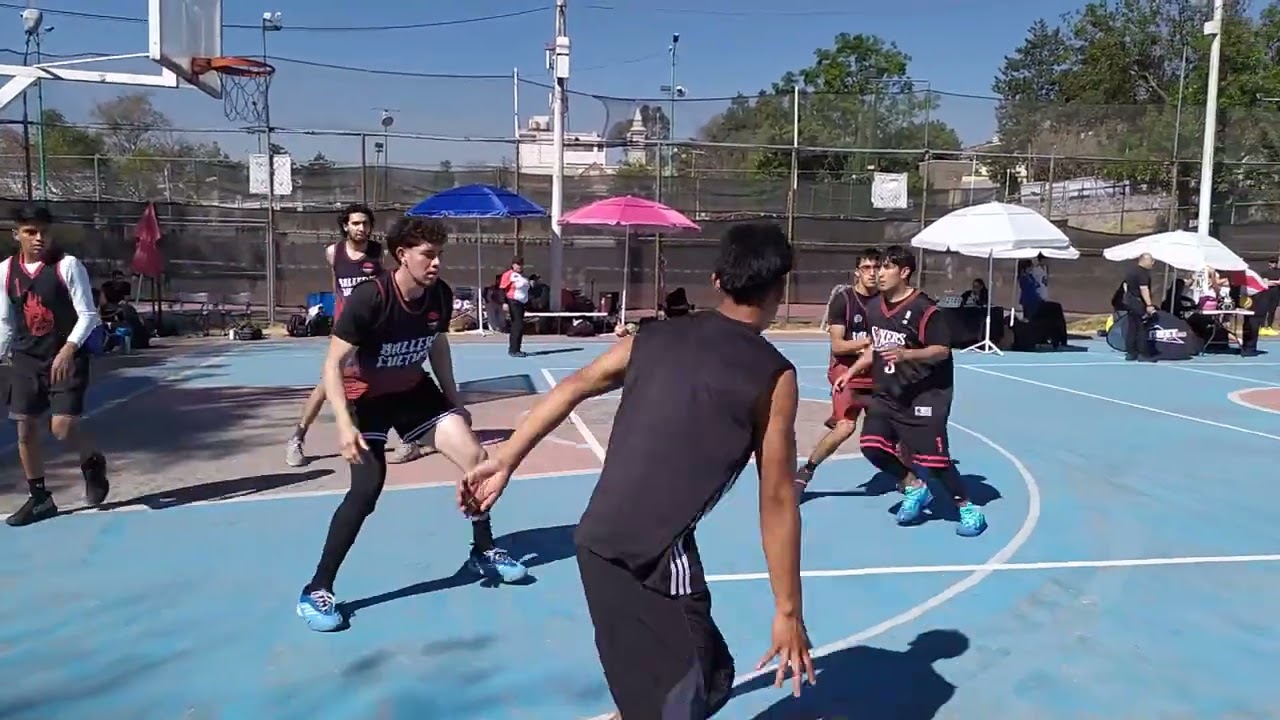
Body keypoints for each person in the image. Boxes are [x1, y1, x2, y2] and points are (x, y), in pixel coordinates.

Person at [460, 223, 816, 717]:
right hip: (641, 556)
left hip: (610, 542)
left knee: (711, 678)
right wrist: (788, 611)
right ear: (781, 288)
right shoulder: (774, 377)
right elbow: (776, 499)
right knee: (675, 702)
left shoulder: (653, 337)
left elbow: (573, 385)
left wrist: (506, 457)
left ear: (717, 280)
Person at [295, 216, 528, 632]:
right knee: (366, 491)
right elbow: (331, 365)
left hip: (414, 392)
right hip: (366, 399)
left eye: (439, 255)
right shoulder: (371, 299)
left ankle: (484, 549)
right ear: (402, 255)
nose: (437, 263)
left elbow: (438, 347)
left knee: (477, 458)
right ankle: (317, 587)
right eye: (429, 255)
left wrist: (455, 402)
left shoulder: (437, 295)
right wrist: (345, 426)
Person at [834, 245, 987, 537]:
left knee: (936, 462)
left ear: (904, 272)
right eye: (878, 268)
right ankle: (915, 486)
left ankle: (968, 508)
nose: (879, 274)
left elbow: (942, 350)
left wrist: (907, 355)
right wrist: (851, 372)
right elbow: (876, 348)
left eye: (887, 268)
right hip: (889, 392)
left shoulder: (925, 309)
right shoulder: (875, 307)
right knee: (872, 446)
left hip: (926, 394)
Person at [285, 205, 431, 467]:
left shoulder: (378, 252)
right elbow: (336, 285)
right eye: (355, 223)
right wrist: (339, 317)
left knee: (388, 377)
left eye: (365, 223)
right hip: (347, 330)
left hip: (374, 327)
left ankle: (407, 437)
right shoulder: (333, 253)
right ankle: (297, 438)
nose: (361, 228)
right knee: (327, 385)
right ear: (345, 226)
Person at [0, 205, 109, 527]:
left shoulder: (67, 266)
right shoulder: (6, 271)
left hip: (65, 355)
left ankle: (92, 461)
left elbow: (88, 314)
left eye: (43, 231)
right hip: (25, 357)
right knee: (25, 429)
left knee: (61, 429)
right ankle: (40, 498)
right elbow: (6, 321)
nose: (38, 238)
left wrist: (69, 349)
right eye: (30, 232)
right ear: (16, 234)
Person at [795, 247, 879, 492]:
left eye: (876, 267)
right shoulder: (844, 300)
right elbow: (838, 345)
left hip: (875, 375)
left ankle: (909, 481)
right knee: (846, 427)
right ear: (857, 272)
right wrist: (868, 344)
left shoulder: (885, 302)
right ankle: (806, 471)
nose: (872, 273)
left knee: (894, 427)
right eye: (866, 268)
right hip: (845, 372)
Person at [1121, 253, 1157, 362]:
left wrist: (1129, 298)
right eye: (1151, 261)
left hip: (1131, 302)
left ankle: (1131, 352)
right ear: (1144, 260)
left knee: (1132, 327)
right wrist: (1149, 305)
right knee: (1142, 328)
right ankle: (1143, 354)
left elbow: (1125, 286)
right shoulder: (1142, 273)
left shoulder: (1131, 271)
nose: (1153, 263)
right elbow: (1144, 289)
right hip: (1139, 303)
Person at [499, 256, 530, 358]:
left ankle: (517, 348)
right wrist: (504, 302)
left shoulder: (522, 276)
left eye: (521, 264)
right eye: (517, 264)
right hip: (513, 301)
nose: (519, 266)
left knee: (519, 325)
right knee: (517, 325)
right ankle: (513, 349)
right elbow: (502, 289)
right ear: (513, 264)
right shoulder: (508, 275)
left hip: (521, 302)